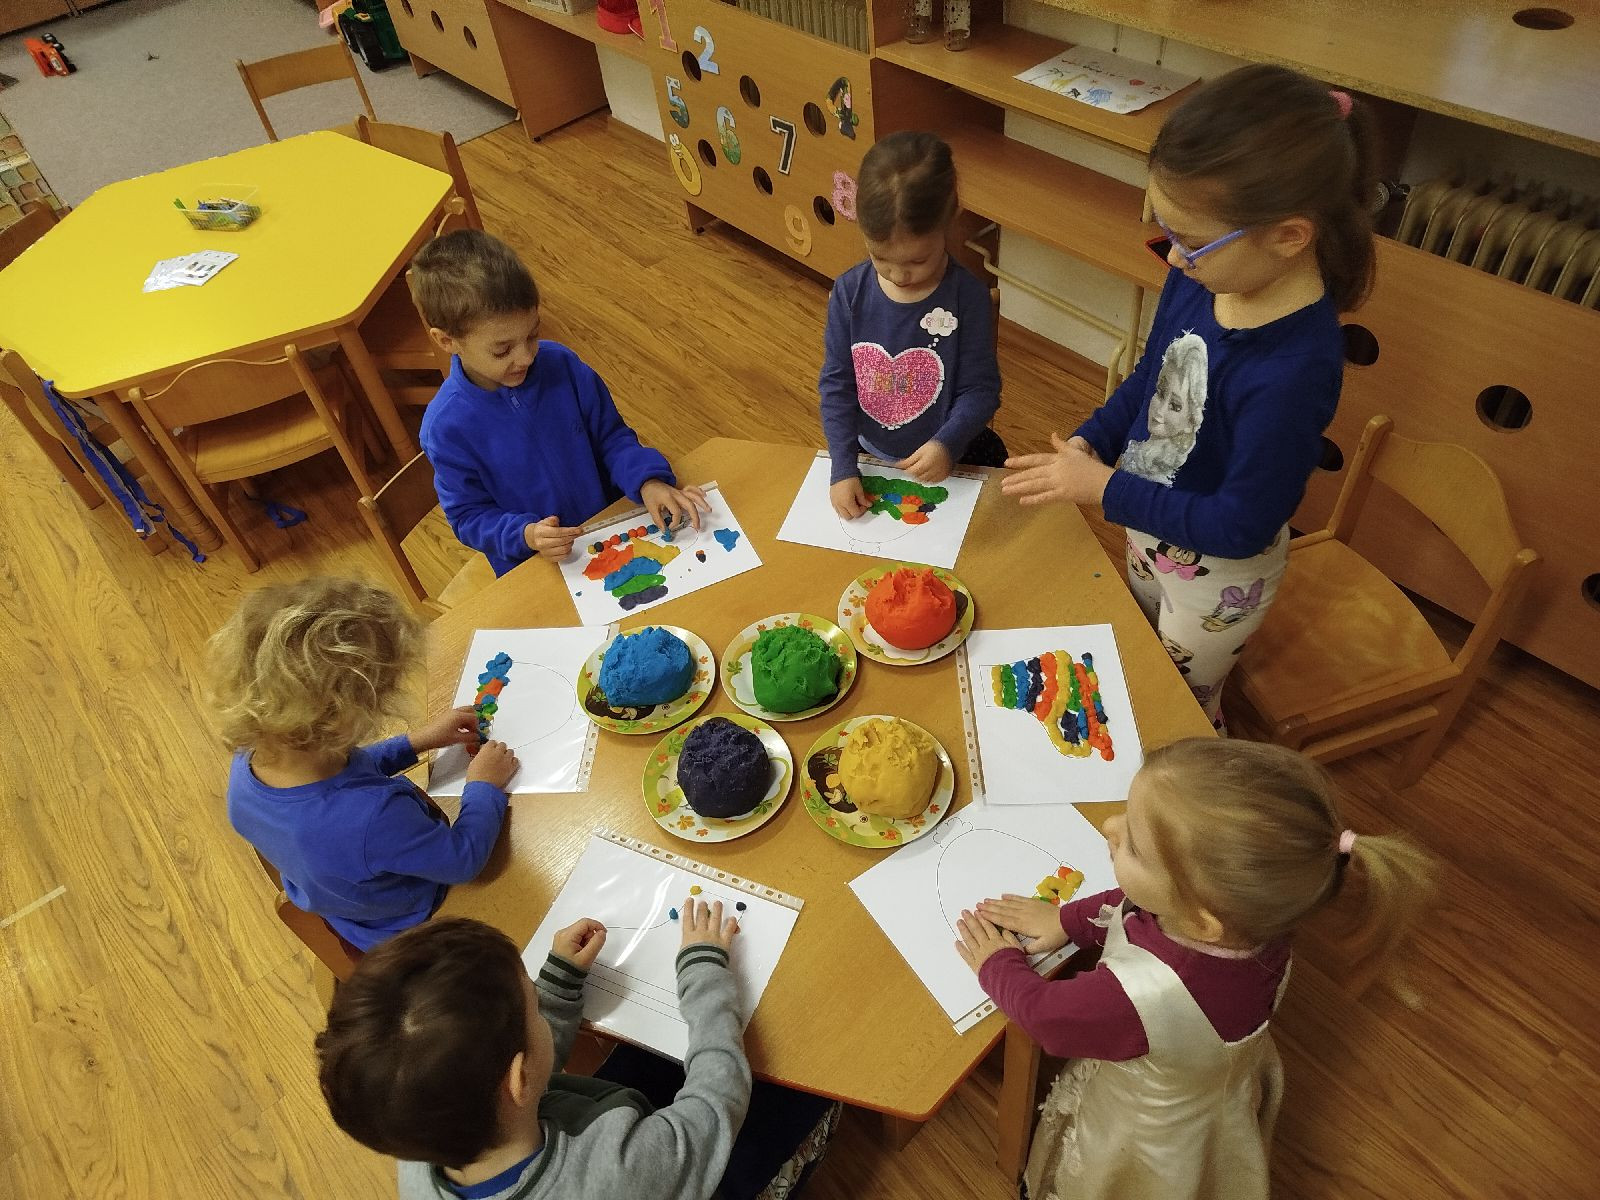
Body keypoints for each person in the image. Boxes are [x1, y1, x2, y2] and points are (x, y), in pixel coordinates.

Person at [1002, 65, 1380, 727]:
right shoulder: (1205, 277)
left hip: (1218, 579)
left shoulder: (1293, 371)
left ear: (1289, 236)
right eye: (1166, 232)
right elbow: (1152, 377)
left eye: (1193, 241)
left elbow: (1241, 526)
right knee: (1139, 658)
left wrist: (1105, 488)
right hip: (1151, 530)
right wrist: (1095, 439)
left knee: (1180, 706)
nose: (1174, 258)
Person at [954, 738, 1437, 1200]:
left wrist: (998, 963)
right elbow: (1138, 902)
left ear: (1200, 922)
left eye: (1134, 845)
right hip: (1207, 1083)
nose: (1108, 825)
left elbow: (1044, 1016)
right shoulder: (1256, 917)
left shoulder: (1140, 995)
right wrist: (1067, 921)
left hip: (1146, 1131)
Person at [316, 903, 839, 1200]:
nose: (537, 1001)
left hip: (598, 1129)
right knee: (811, 1084)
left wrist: (559, 983)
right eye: (532, 1003)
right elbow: (716, 1102)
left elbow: (516, 1071)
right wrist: (704, 975)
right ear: (519, 1078)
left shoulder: (422, 1143)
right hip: (671, 1178)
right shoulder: (621, 1175)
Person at [210, 577, 517, 952]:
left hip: (350, 909)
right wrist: (483, 787)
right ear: (344, 719)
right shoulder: (374, 817)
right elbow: (463, 861)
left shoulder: (255, 757)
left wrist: (417, 741)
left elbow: (342, 774)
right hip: (413, 923)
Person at [412, 229, 708, 576]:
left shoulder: (561, 365)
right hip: (538, 563)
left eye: (533, 335)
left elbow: (611, 437)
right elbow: (468, 516)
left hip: (611, 530)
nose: (526, 357)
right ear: (447, 341)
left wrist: (648, 481)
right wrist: (525, 535)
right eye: (502, 350)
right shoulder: (446, 429)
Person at [820, 130, 1006, 520]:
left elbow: (981, 390)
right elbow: (837, 386)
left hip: (950, 452)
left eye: (918, 261)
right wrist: (843, 465)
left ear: (951, 219)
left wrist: (946, 443)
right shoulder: (849, 292)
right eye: (880, 257)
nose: (899, 275)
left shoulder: (968, 297)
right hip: (869, 455)